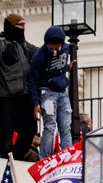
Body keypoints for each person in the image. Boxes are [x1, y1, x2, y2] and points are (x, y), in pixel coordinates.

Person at [0, 13, 37, 160]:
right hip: (5, 99)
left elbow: (42, 54)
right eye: (19, 25)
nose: (23, 28)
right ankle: (8, 163)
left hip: (24, 98)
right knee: (5, 135)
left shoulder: (25, 46)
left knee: (30, 130)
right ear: (11, 26)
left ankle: (16, 158)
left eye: (24, 25)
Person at [28, 26, 73, 158]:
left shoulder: (66, 48)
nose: (53, 50)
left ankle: (68, 156)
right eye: (51, 48)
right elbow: (33, 81)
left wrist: (68, 67)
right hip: (46, 92)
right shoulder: (39, 57)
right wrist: (35, 103)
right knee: (50, 126)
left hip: (62, 91)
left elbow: (60, 66)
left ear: (61, 44)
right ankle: (45, 158)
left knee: (65, 126)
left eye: (56, 47)